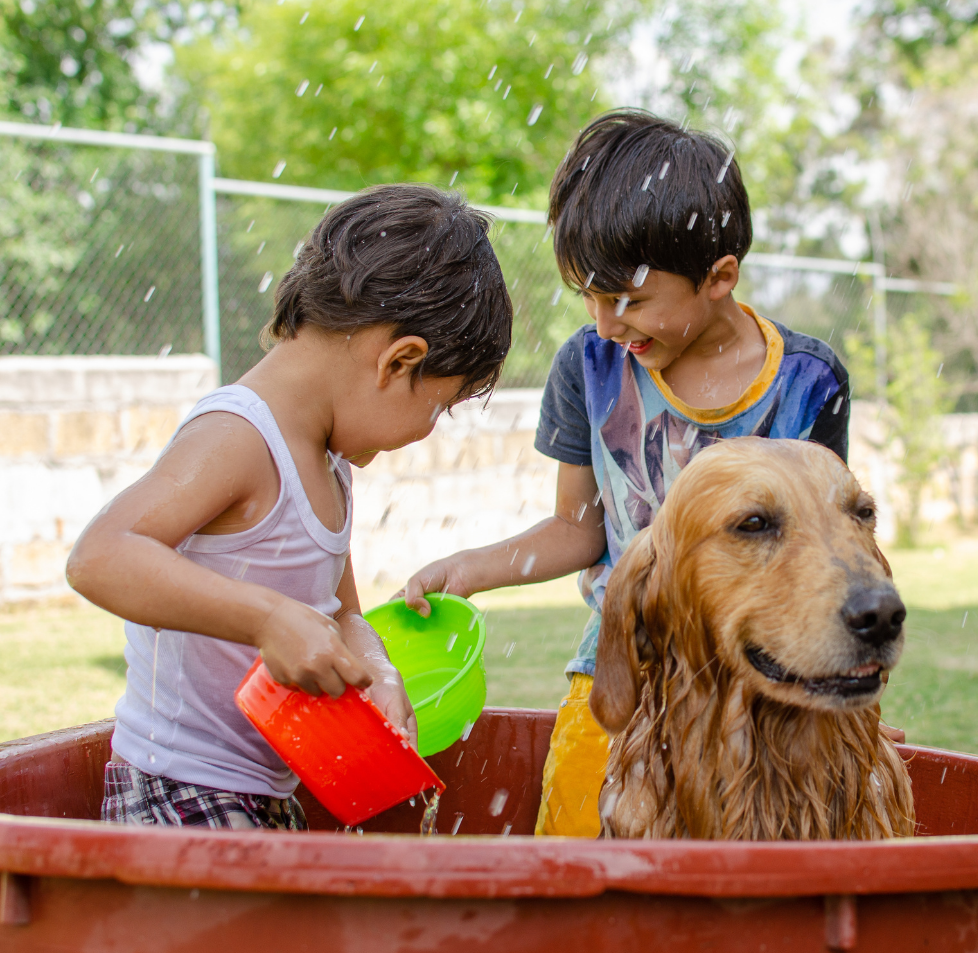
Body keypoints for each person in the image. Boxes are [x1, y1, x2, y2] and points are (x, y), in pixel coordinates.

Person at [401, 110, 851, 837]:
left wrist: (840, 693)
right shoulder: (590, 367)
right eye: (590, 294)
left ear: (719, 277)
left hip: (763, 687)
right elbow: (578, 531)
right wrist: (471, 566)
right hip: (617, 672)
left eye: (631, 300)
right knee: (578, 855)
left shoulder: (804, 381)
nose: (607, 322)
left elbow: (828, 557)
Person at [66, 184, 512, 830]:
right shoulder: (242, 435)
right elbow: (100, 555)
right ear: (399, 360)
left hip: (264, 790)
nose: (429, 429)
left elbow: (345, 615)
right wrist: (268, 617)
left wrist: (380, 672)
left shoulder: (330, 464)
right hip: (179, 788)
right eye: (440, 407)